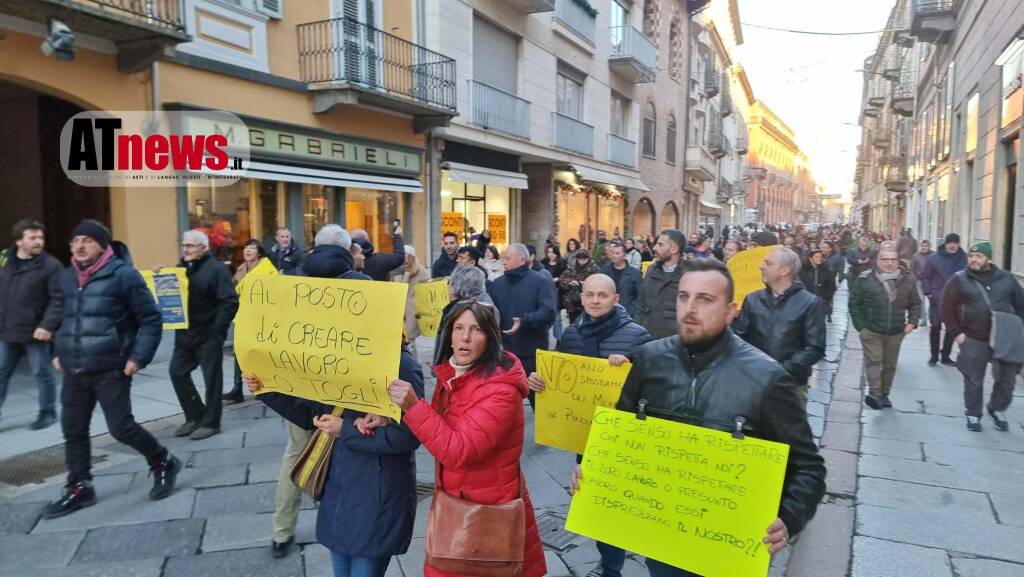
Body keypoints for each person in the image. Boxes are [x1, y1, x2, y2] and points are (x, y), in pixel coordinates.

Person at [583, 258, 825, 577]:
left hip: (729, 545)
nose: (690, 308)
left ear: (731, 311)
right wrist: (593, 469)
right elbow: (621, 436)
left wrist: (789, 517)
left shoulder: (768, 379)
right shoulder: (649, 360)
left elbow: (808, 468)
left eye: (705, 299)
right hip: (663, 536)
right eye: (684, 297)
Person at [387, 301, 547, 577]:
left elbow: (458, 451)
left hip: (485, 512)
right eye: (458, 328)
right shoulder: (453, 374)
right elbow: (438, 424)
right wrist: (388, 416)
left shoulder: (501, 390)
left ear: (490, 337)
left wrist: (413, 407)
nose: (464, 337)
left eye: (475, 329)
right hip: (457, 503)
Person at [246, 345, 424, 574]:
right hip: (339, 488)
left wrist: (344, 429)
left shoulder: (402, 364)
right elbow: (312, 413)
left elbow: (408, 437)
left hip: (378, 495)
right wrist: (265, 389)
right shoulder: (341, 355)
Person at [45, 220, 179, 518]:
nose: (79, 246)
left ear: (103, 246)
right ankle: (79, 487)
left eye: (87, 241)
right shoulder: (66, 278)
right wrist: (56, 350)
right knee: (73, 430)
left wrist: (137, 357)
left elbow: (151, 320)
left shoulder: (124, 276)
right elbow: (59, 317)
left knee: (121, 428)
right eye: (75, 241)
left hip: (111, 367)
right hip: (74, 369)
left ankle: (162, 461)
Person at [529, 274, 649, 577]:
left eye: (603, 295)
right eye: (590, 295)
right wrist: (538, 383)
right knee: (597, 503)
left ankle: (622, 558)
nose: (596, 301)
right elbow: (560, 382)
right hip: (586, 435)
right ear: (581, 298)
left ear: (615, 299)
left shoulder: (637, 336)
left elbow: (654, 387)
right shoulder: (570, 335)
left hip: (624, 438)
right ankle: (610, 566)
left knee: (627, 503)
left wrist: (631, 368)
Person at [940, 241, 1024, 432]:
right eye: (971, 256)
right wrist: (957, 334)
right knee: (973, 378)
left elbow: (1021, 305)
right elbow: (946, 307)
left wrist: (1018, 331)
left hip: (1004, 337)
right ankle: (973, 413)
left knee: (1007, 379)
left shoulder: (1006, 278)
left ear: (989, 258)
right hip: (973, 337)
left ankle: (996, 408)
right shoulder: (959, 279)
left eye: (979, 256)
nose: (974, 260)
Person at [166, 230, 239, 440]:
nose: (185, 249)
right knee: (177, 372)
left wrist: (217, 331)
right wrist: (159, 274)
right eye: (184, 245)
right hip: (185, 335)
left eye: (190, 246)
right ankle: (194, 416)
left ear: (203, 248)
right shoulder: (180, 269)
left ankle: (211, 422)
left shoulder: (216, 270)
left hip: (208, 335)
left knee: (212, 380)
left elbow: (230, 301)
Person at [733, 248, 826, 403]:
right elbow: (738, 338)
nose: (761, 267)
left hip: (789, 385)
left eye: (768, 263)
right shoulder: (752, 299)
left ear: (785, 270)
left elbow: (814, 348)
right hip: (752, 381)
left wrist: (779, 370)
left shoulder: (810, 303)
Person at [0, 219, 63, 429]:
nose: (38, 241)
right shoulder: (4, 261)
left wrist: (47, 326)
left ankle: (48, 412)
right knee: (1, 372)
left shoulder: (51, 266)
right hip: (6, 329)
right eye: (32, 238)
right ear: (19, 241)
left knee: (41, 372)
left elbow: (58, 299)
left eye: (40, 237)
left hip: (36, 332)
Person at [849, 242, 921, 410]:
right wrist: (861, 327)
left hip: (896, 330)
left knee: (890, 364)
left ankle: (884, 394)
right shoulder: (865, 278)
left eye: (893, 259)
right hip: (872, 330)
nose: (889, 263)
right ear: (877, 260)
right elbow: (854, 303)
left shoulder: (908, 278)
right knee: (874, 360)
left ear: (898, 260)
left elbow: (915, 304)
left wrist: (912, 322)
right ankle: (875, 393)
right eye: (885, 259)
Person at [488, 244, 556, 404]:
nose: (503, 262)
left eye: (508, 258)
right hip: (504, 354)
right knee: (505, 402)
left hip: (532, 353)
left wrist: (524, 321)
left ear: (522, 260)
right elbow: (490, 314)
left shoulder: (540, 281)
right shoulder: (497, 284)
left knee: (538, 401)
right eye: (503, 258)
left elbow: (549, 312)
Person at [224, 239, 267, 403]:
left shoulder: (266, 268)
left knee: (258, 352)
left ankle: (262, 387)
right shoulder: (241, 268)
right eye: (246, 247)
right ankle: (237, 389)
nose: (248, 250)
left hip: (260, 318)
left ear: (259, 252)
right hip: (242, 316)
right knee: (239, 352)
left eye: (252, 248)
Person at [431, 265, 497, 366]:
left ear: (460, 286)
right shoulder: (477, 302)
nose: (449, 289)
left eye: (451, 284)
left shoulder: (473, 308)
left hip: (466, 367)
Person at [921, 233, 967, 366]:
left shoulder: (964, 259)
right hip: (937, 299)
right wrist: (928, 293)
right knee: (935, 326)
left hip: (957, 300)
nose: (952, 245)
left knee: (953, 328)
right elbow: (925, 276)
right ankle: (933, 355)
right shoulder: (933, 258)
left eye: (955, 243)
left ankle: (945, 355)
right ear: (945, 244)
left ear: (958, 244)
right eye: (950, 243)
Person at [634, 230, 685, 340]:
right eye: (656, 243)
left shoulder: (689, 274)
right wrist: (639, 327)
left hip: (674, 342)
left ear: (674, 249)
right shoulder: (651, 270)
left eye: (660, 244)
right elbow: (641, 303)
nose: (654, 248)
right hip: (648, 337)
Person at [390, 245, 431, 357]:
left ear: (413, 257)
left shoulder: (420, 271)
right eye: (404, 255)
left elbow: (426, 291)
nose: (406, 258)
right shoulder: (395, 271)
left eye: (409, 256)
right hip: (397, 310)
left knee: (409, 340)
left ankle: (414, 364)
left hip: (412, 310)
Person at [601, 240, 642, 319]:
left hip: (626, 314)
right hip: (606, 314)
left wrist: (632, 309)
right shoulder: (604, 270)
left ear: (624, 255)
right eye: (612, 253)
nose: (614, 256)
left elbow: (640, 296)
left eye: (617, 253)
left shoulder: (634, 273)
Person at [559, 249, 602, 324]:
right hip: (573, 306)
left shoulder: (595, 270)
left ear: (588, 258)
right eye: (579, 258)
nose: (582, 261)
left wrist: (587, 284)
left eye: (584, 258)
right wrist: (569, 283)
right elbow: (562, 280)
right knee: (574, 328)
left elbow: (600, 284)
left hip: (589, 306)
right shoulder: (571, 269)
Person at [799, 250, 838, 323]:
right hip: (806, 302)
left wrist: (825, 297)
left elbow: (832, 286)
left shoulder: (826, 270)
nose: (819, 258)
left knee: (818, 323)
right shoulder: (802, 271)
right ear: (810, 258)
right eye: (817, 257)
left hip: (821, 302)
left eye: (820, 257)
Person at [910, 239, 932, 326]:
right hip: (919, 281)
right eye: (922, 246)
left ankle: (931, 316)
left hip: (931, 281)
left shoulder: (933, 255)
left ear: (929, 247)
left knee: (932, 300)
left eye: (926, 246)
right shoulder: (916, 256)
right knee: (921, 300)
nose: (924, 247)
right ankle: (923, 319)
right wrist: (914, 279)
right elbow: (911, 269)